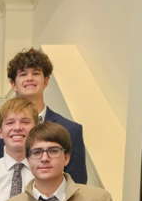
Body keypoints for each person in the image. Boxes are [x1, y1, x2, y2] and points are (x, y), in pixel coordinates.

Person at [7, 48, 88, 185]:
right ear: (13, 85)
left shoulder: (70, 130)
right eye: (23, 74)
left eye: (36, 73)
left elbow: (77, 185)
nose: (30, 78)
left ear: (45, 82)